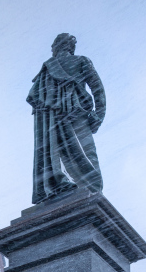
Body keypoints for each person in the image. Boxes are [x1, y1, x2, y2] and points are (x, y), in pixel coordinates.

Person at [27, 33, 106, 203]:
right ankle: (92, 190)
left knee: (54, 152)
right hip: (75, 115)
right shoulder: (81, 61)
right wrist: (99, 114)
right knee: (86, 154)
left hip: (53, 120)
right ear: (71, 46)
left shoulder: (46, 69)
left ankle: (57, 183)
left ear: (57, 47)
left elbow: (36, 98)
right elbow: (98, 89)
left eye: (53, 47)